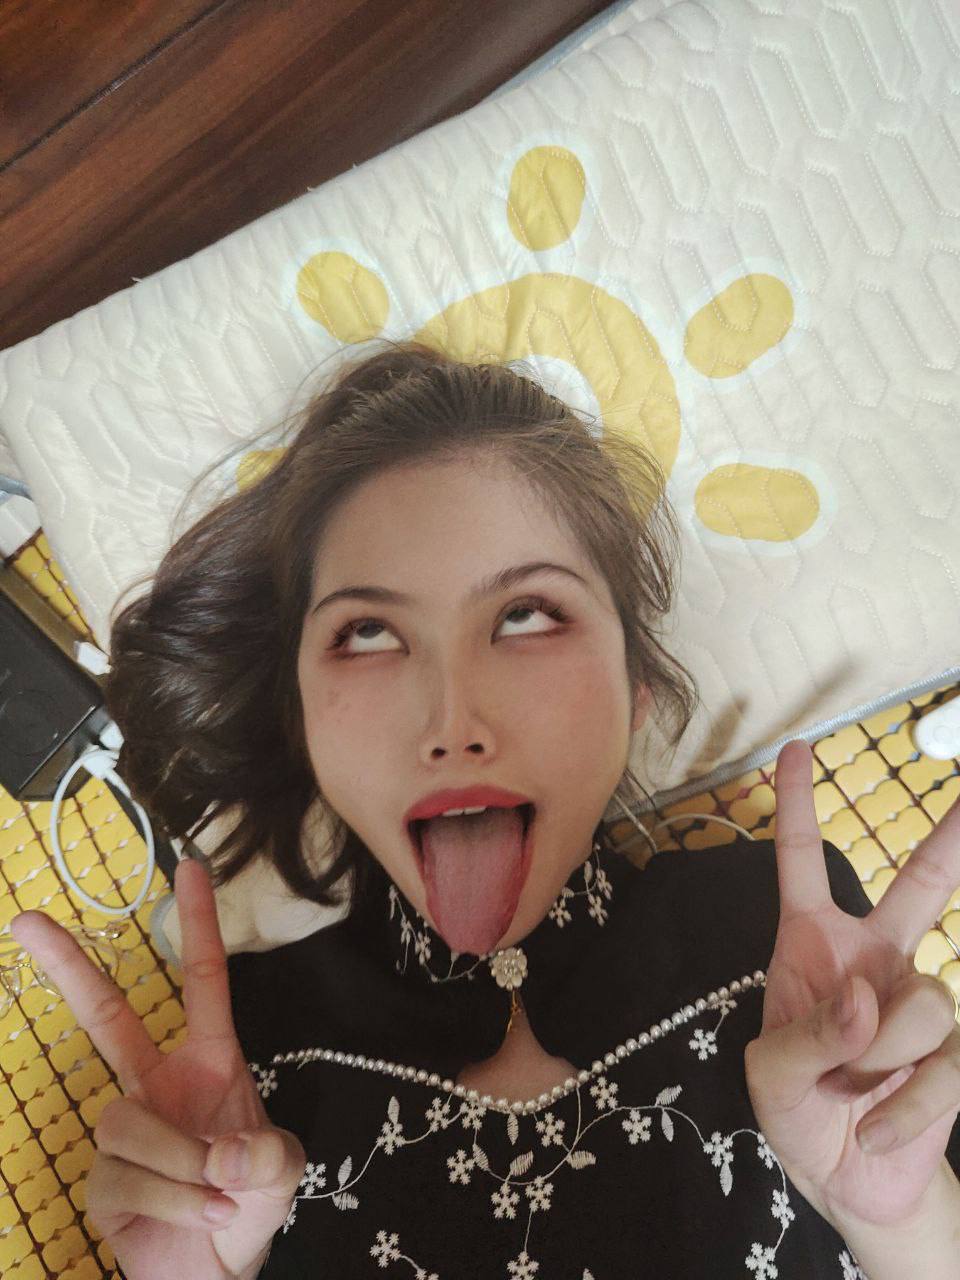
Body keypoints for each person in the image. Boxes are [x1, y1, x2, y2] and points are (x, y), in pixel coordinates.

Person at [9, 340, 960, 1279]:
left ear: (635, 692)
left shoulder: (793, 943)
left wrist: (903, 1218)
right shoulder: (235, 1072)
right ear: (301, 720)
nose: (452, 722)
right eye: (367, 633)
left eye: (525, 615)